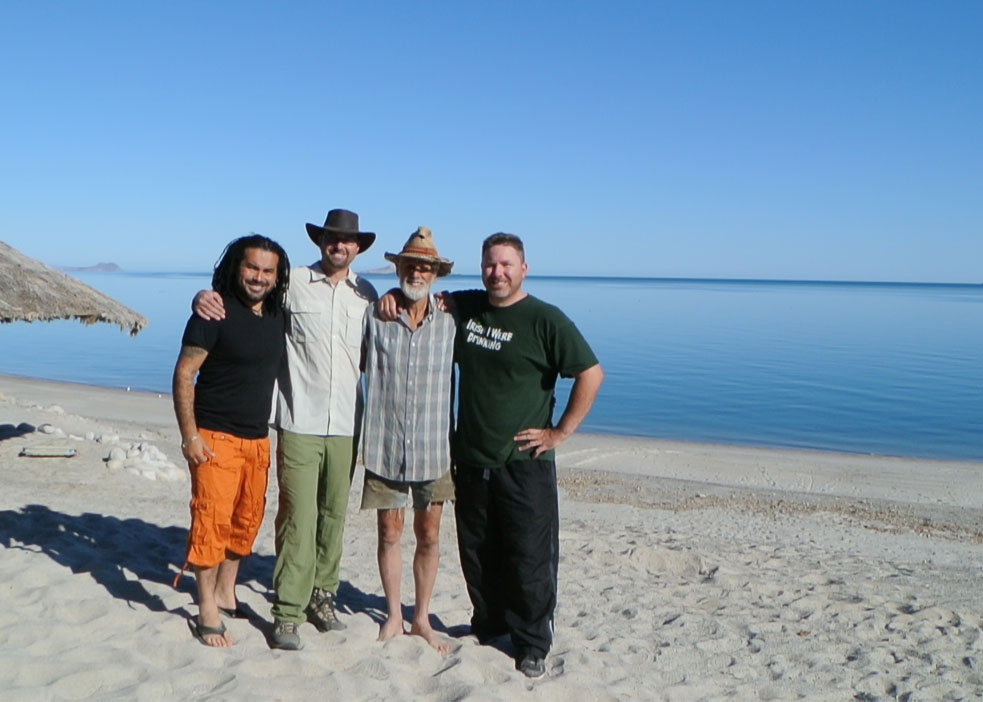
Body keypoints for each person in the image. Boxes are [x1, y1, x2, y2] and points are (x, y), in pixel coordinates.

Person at [379, 232, 602, 677]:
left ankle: (532, 642)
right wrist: (392, 295)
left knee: (528, 554)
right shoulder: (468, 307)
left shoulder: (545, 319)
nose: (497, 272)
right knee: (478, 550)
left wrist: (558, 433)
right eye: (489, 265)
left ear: (523, 269)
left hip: (524, 462)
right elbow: (422, 294)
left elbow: (590, 374)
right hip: (470, 458)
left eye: (506, 265)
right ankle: (490, 622)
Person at [193, 209, 377, 650]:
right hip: (299, 420)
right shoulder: (292, 284)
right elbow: (245, 300)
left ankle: (322, 595)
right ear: (320, 241)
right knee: (297, 516)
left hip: (347, 423)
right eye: (332, 237)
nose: (339, 245)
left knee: (333, 516)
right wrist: (202, 297)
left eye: (347, 240)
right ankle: (288, 612)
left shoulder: (367, 295)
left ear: (357, 247)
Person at [172, 234, 289, 647]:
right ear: (237, 266)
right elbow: (184, 374)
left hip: (257, 439)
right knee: (210, 523)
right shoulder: (213, 310)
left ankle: (225, 592)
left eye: (267, 271)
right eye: (252, 267)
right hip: (214, 437)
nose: (259, 277)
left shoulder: (276, 313)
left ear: (277, 276)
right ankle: (206, 608)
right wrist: (189, 435)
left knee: (245, 522)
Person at [359, 227, 456, 652]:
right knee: (389, 532)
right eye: (410, 265)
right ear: (398, 268)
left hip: (435, 448)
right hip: (385, 444)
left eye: (426, 267)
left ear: (436, 274)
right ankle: (394, 615)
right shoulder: (375, 317)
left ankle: (422, 618)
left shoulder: (451, 321)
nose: (417, 272)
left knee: (429, 534)